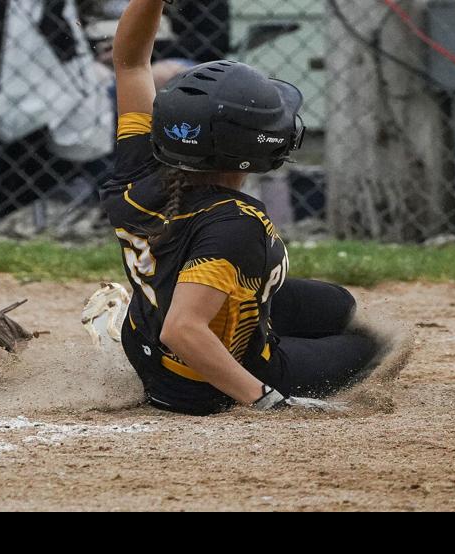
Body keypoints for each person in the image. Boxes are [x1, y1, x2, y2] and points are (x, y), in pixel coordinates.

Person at [99, 0, 383, 413]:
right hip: (200, 381)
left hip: (144, 338)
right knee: (370, 345)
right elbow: (182, 331)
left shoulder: (140, 168)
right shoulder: (236, 222)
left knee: (337, 305)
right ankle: (252, 372)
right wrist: (266, 399)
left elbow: (130, 64)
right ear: (249, 151)